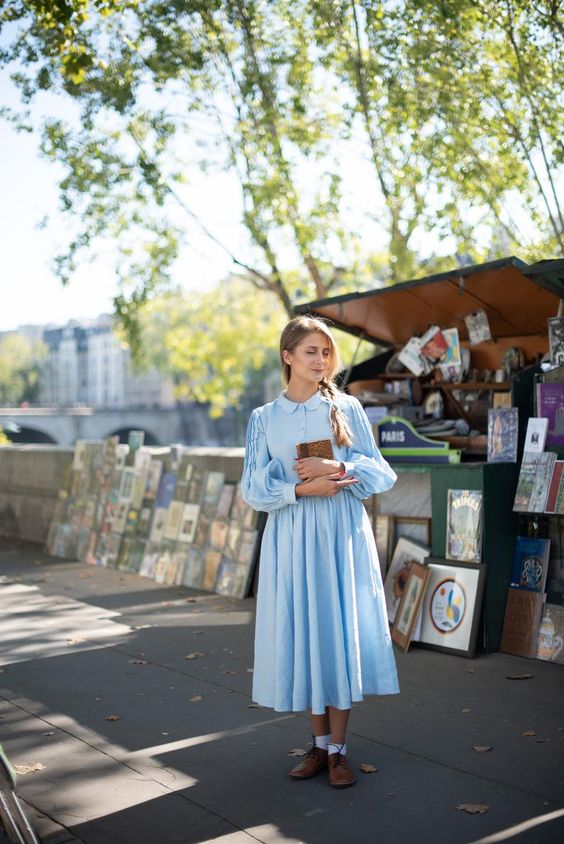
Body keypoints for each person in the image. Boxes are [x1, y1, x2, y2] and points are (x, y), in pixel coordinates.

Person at [241, 315, 399, 789]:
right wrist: (301, 491)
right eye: (310, 351)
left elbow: (381, 475)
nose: (320, 360)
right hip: (291, 537)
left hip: (339, 536)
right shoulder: (264, 419)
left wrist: (339, 465)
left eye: (326, 352)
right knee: (306, 633)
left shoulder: (348, 408)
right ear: (287, 356)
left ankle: (339, 750)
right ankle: (317, 744)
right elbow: (253, 487)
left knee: (336, 633)